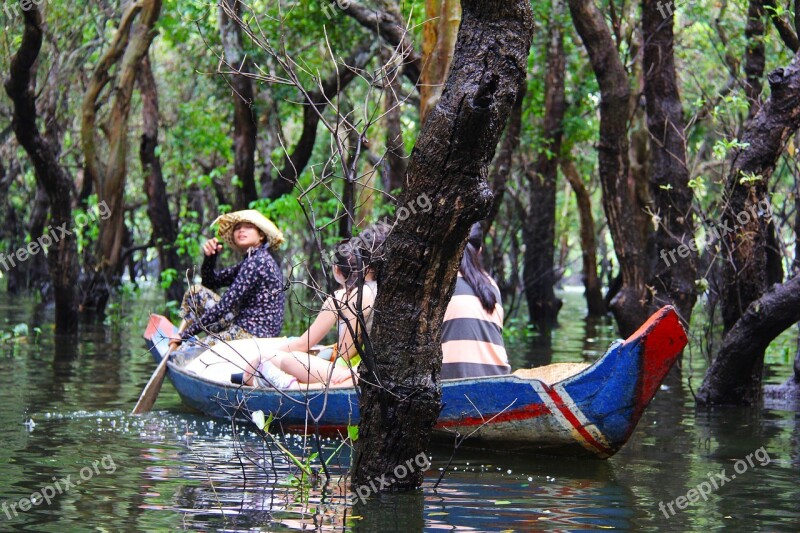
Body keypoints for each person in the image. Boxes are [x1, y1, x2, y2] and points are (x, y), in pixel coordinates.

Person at [241, 228, 386, 389]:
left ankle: (292, 386)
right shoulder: (386, 289)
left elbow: (344, 353)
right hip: (364, 370)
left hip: (353, 372)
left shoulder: (357, 293)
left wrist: (263, 355)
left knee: (287, 359)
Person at [169, 210, 285, 352]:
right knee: (195, 292)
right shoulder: (251, 260)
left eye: (248, 226)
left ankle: (180, 338)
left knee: (189, 350)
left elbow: (225, 306)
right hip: (241, 326)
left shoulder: (258, 261)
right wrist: (210, 258)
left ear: (261, 235)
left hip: (254, 336)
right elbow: (211, 282)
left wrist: (186, 335)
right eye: (237, 227)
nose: (241, 230)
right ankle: (179, 334)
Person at [440, 222, 510, 379]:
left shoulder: (439, 284)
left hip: (452, 383)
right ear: (479, 250)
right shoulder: (491, 286)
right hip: (499, 381)